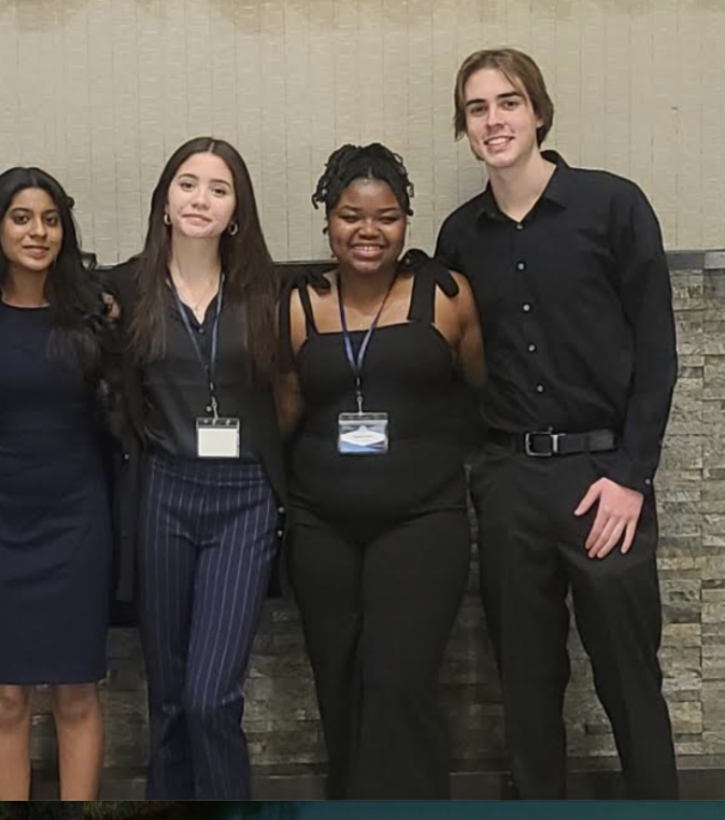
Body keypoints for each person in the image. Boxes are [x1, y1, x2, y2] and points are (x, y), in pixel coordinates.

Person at [435, 47, 679, 799]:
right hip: (512, 483)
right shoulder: (459, 237)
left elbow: (657, 353)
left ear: (537, 111)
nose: (494, 120)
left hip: (606, 479)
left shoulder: (613, 205)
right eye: (477, 109)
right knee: (527, 683)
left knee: (630, 678)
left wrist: (631, 479)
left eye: (507, 102)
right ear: (465, 128)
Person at [279, 143, 484, 799]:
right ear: (328, 220)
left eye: (387, 216)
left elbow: (483, 390)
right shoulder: (299, 304)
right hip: (320, 524)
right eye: (350, 216)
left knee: (399, 678)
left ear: (406, 220)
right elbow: (284, 412)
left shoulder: (447, 294)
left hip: (423, 518)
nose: (368, 231)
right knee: (337, 681)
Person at [105, 136, 285, 800]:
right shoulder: (124, 288)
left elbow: (288, 395)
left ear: (237, 211)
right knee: (170, 697)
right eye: (187, 183)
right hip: (164, 489)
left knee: (212, 696)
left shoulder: (266, 292)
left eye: (218, 188)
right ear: (163, 202)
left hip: (243, 497)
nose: (200, 198)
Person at [0, 167, 115, 800]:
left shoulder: (93, 310)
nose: (37, 232)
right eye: (21, 218)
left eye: (49, 218)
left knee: (77, 690)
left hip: (76, 513)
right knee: (5, 694)